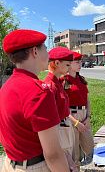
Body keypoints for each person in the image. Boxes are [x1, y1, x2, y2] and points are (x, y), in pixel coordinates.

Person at [0, 29, 69, 172]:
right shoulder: (39, 92)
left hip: (10, 164)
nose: (48, 54)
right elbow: (53, 155)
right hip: (36, 167)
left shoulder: (6, 87)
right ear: (35, 52)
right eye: (45, 48)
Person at [44, 47, 79, 172]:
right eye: (67, 64)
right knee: (67, 163)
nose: (70, 68)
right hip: (59, 130)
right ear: (57, 63)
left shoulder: (58, 82)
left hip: (65, 126)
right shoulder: (50, 86)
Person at [62, 52, 94, 167]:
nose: (80, 64)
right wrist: (75, 122)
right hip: (71, 117)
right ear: (69, 64)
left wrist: (88, 117)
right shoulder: (64, 81)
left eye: (80, 62)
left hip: (84, 116)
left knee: (90, 147)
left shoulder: (81, 80)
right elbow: (61, 106)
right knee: (74, 153)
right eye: (77, 62)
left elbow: (87, 100)